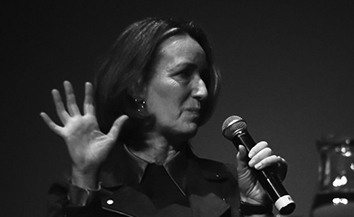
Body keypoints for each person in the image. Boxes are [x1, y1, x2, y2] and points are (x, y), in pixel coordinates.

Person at [41, 17, 288, 217]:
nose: (202, 90)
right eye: (183, 74)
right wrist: (85, 173)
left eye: (203, 76)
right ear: (137, 89)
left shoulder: (233, 185)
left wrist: (255, 207)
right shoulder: (83, 185)